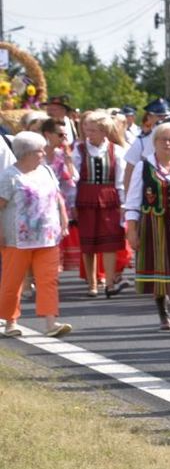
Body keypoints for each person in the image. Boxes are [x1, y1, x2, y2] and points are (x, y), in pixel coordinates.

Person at [124, 122, 170, 331]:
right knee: (157, 269)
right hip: (152, 224)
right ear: (154, 142)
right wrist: (132, 230)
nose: (168, 143)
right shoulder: (143, 166)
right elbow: (133, 200)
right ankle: (163, 314)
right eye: (163, 139)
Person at [0, 132, 71, 338]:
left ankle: (50, 322)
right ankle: (10, 321)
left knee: (48, 280)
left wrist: (64, 220)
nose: (43, 153)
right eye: (39, 150)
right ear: (26, 154)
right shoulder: (9, 176)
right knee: (13, 281)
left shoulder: (46, 170)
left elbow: (57, 198)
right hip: (17, 239)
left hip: (47, 236)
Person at [74, 110, 129, 298]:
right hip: (86, 199)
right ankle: (92, 284)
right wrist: (71, 204)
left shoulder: (117, 150)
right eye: (87, 130)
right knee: (88, 242)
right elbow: (74, 179)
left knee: (110, 242)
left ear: (104, 131)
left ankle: (110, 282)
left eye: (93, 131)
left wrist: (124, 205)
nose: (88, 134)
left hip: (109, 199)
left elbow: (121, 181)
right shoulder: (79, 149)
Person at [41, 119, 80, 273]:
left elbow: (72, 180)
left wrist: (68, 159)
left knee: (56, 241)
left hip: (58, 205)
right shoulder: (37, 154)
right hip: (39, 204)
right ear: (47, 134)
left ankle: (50, 275)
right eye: (60, 134)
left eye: (65, 135)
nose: (64, 138)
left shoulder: (62, 155)